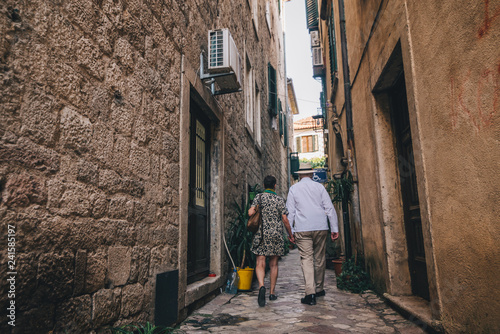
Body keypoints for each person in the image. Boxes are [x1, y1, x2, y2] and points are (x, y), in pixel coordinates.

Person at [286, 163, 339, 305]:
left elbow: (290, 213)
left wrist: (289, 232)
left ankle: (310, 294)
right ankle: (319, 289)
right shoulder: (319, 187)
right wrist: (334, 228)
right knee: (319, 258)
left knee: (307, 259)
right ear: (311, 174)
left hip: (302, 228)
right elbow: (329, 208)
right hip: (320, 226)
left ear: (299, 175)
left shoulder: (293, 189)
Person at [248, 175, 295, 307]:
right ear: (275, 185)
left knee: (260, 262)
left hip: (261, 234)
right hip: (275, 235)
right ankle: (272, 292)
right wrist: (290, 235)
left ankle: (262, 286)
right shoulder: (279, 200)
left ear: (264, 185)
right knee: (273, 264)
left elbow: (251, 213)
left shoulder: (259, 197)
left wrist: (253, 209)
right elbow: (285, 220)